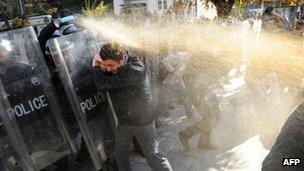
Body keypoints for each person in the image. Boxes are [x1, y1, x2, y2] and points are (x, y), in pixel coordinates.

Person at [92, 42, 173, 171]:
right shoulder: (121, 64)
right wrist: (105, 66)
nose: (108, 69)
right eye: (105, 65)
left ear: (122, 59)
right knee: (120, 155)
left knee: (154, 157)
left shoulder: (135, 70)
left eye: (110, 65)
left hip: (142, 122)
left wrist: (96, 67)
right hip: (125, 121)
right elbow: (112, 76)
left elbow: (104, 84)